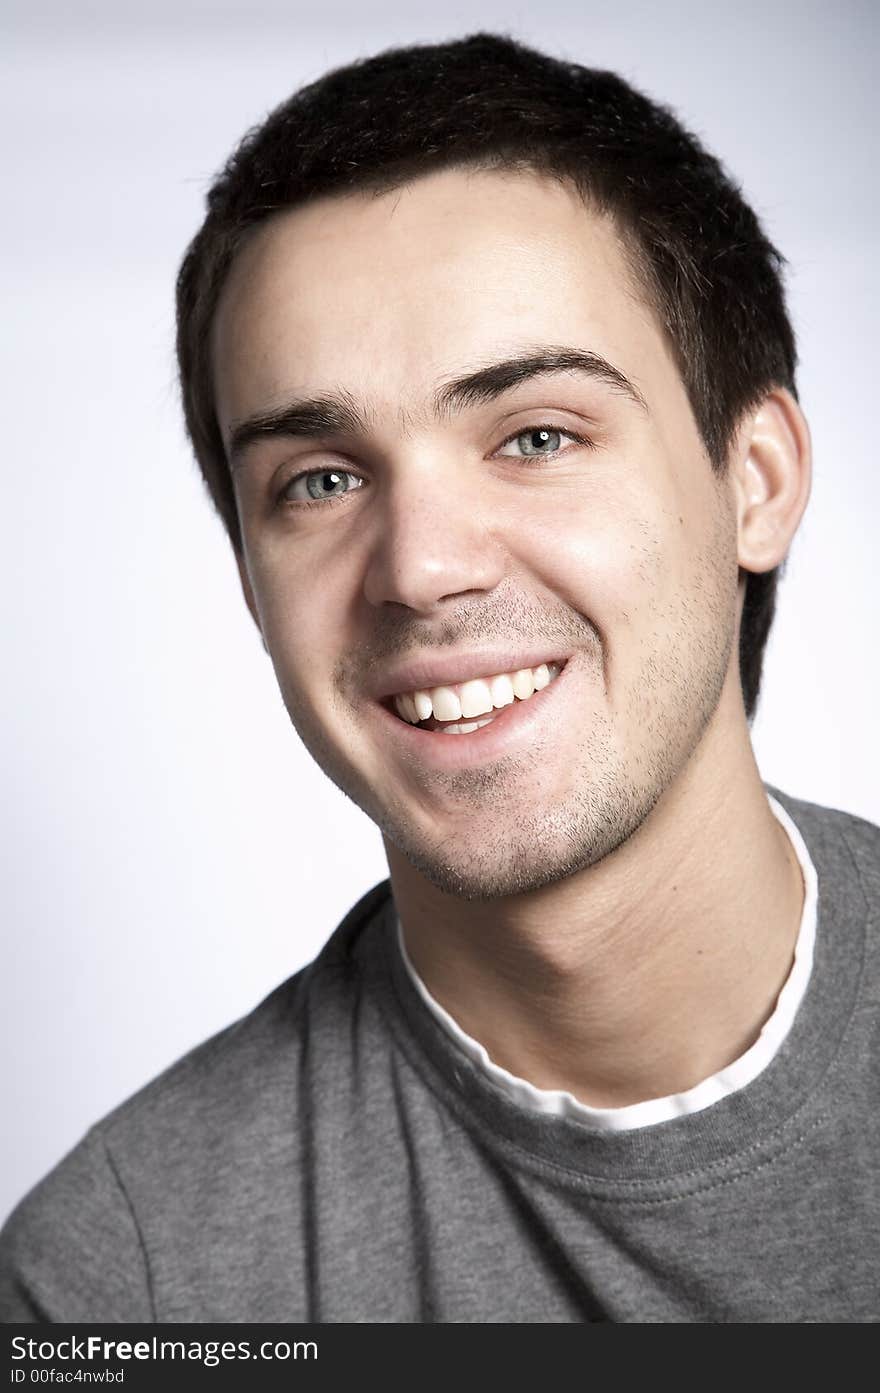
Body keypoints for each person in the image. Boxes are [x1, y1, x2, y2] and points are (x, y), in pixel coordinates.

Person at [1, 32, 877, 1325]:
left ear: (755, 480)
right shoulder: (121, 1290)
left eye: (534, 434)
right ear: (248, 577)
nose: (418, 568)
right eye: (321, 480)